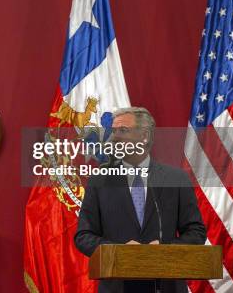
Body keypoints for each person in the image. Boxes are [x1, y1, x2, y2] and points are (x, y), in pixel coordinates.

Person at [74, 107, 206, 293]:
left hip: (166, 285)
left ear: (144, 136)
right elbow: (84, 236)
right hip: (118, 286)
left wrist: (166, 249)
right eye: (113, 131)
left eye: (123, 131)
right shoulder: (100, 180)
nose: (114, 138)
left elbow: (196, 231)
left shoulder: (175, 179)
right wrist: (119, 251)